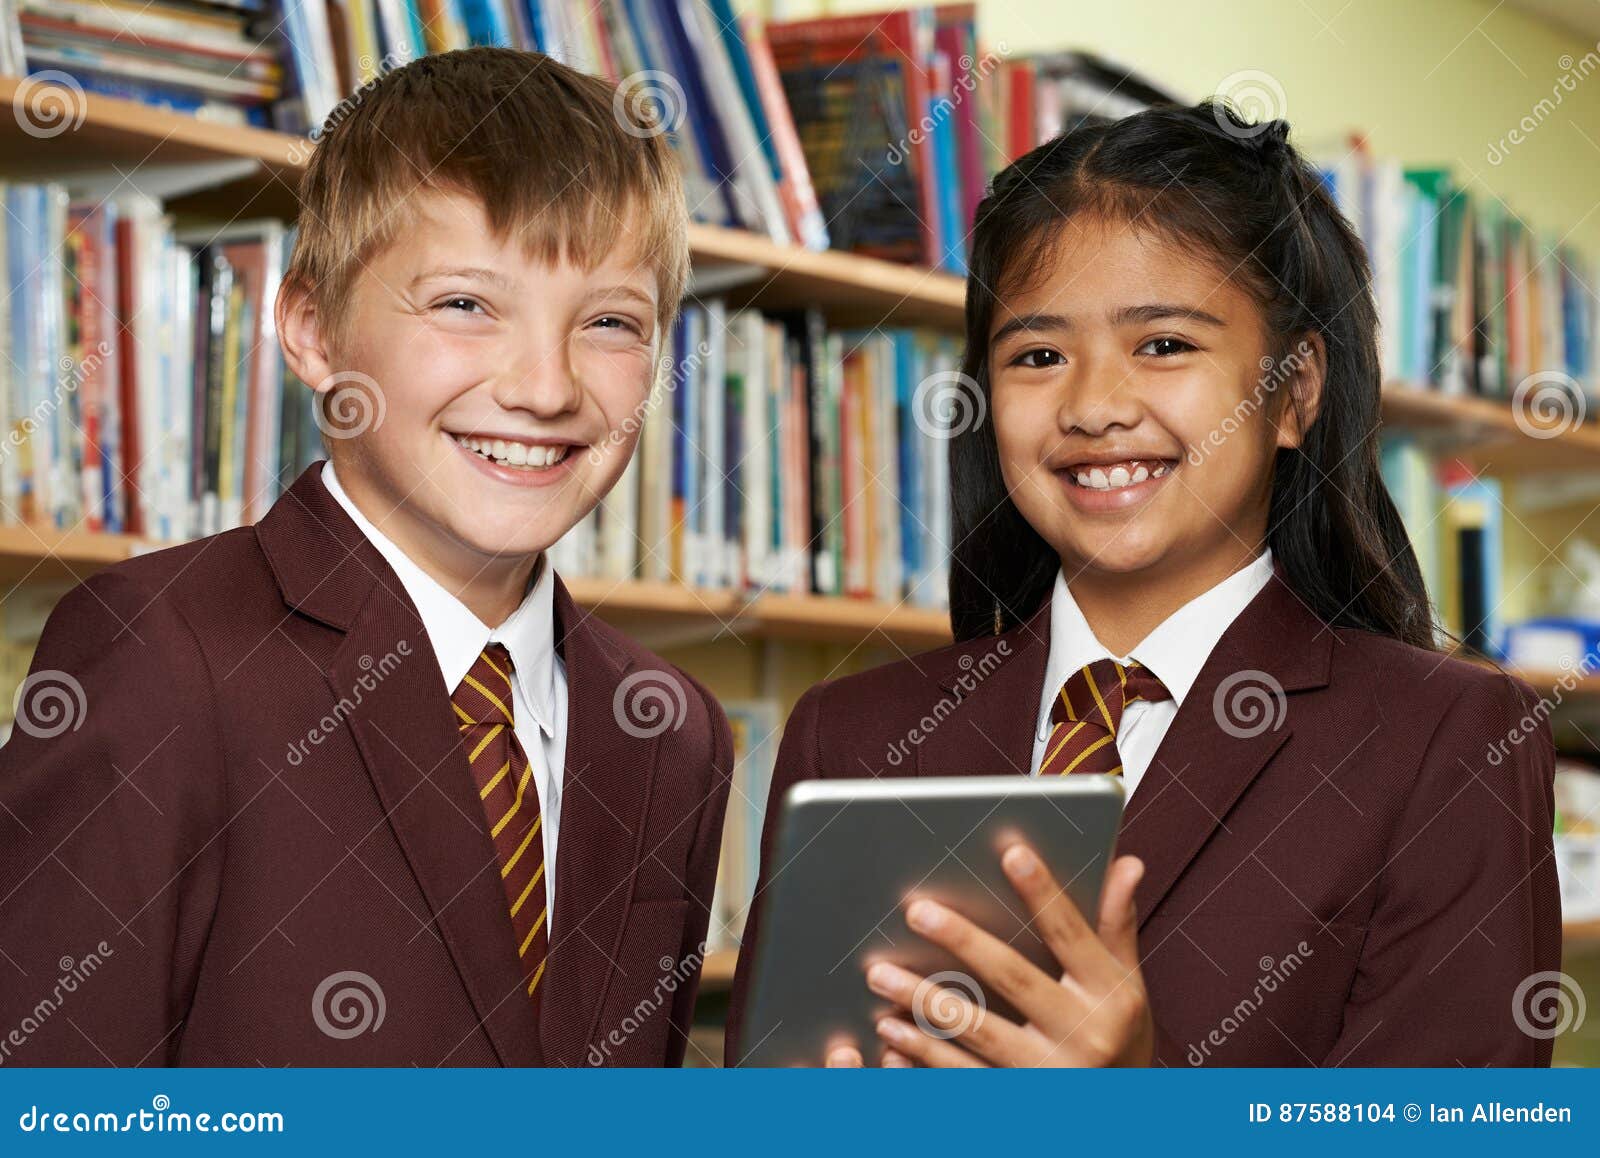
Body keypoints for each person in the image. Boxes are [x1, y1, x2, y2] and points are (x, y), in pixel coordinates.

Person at [726, 102, 1560, 1067]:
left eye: (1163, 344)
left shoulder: (1445, 742)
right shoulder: (851, 733)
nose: (1093, 406)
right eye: (1037, 356)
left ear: (1293, 392)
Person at [0, 47, 731, 1067]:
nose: (545, 386)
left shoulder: (673, 730)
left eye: (609, 322)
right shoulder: (163, 657)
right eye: (466, 305)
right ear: (310, 327)